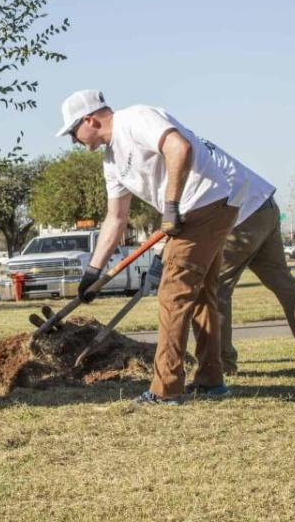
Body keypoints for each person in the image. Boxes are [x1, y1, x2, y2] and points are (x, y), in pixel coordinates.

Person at [61, 89, 239, 404]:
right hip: (196, 210)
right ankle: (211, 380)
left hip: (203, 204)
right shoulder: (111, 162)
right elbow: (115, 218)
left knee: (172, 295)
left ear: (89, 119)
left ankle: (166, 389)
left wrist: (170, 206)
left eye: (74, 132)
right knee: (201, 296)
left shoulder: (135, 118)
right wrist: (93, 272)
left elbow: (178, 147)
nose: (74, 140)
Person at [200, 139, 295, 376]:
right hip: (265, 206)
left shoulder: (179, 152)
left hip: (242, 215)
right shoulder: (194, 143)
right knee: (283, 282)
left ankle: (223, 363)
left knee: (216, 288)